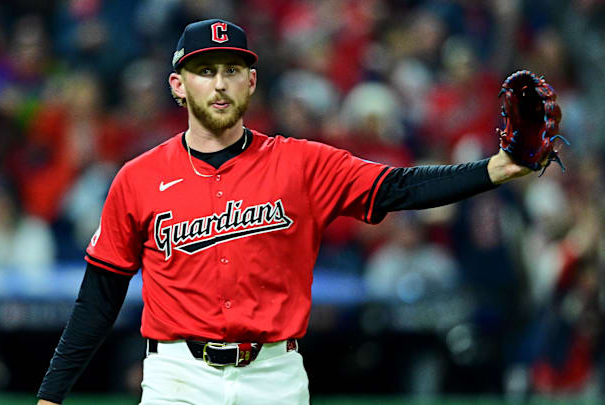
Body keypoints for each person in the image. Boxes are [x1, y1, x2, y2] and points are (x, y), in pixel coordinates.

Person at [37, 19, 531, 405]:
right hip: (177, 377)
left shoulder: (302, 164)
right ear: (178, 85)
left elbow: (398, 187)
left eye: (232, 70)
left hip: (274, 375)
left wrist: (496, 167)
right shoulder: (138, 177)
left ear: (252, 82)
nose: (220, 84)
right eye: (205, 71)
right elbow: (99, 298)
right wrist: (51, 394)